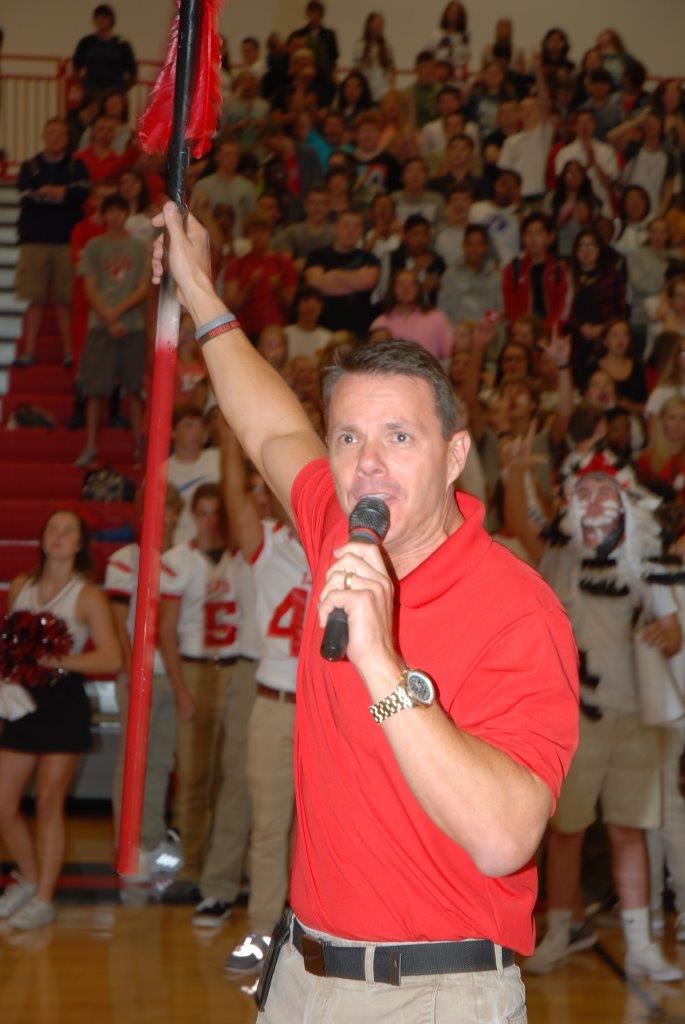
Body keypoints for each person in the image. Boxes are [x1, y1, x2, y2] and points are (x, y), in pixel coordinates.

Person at [152, 201, 579, 1022]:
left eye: (398, 437)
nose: (367, 463)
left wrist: (383, 662)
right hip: (303, 978)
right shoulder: (338, 534)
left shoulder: (517, 608)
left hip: (434, 992)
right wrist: (203, 293)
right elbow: (271, 426)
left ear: (455, 454)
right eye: (348, 439)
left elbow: (504, 836)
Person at [520, 456, 683, 983]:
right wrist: (525, 474)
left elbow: (673, 630)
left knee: (628, 830)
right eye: (583, 492)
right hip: (577, 717)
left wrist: (668, 634)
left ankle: (639, 944)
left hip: (635, 714)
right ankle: (561, 931)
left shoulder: (647, 560)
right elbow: (525, 537)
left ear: (625, 502)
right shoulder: (562, 556)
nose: (592, 502)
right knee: (567, 830)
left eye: (603, 492)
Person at [0, 511, 121, 929]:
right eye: (51, 528)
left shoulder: (87, 595)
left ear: (79, 545)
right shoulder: (21, 585)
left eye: (67, 530)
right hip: (22, 698)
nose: (58, 535)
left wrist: (59, 660)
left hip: (63, 700)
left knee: (50, 802)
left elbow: (112, 656)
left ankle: (45, 897)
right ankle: (30, 879)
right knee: (4, 803)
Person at [220, 430, 312, 971]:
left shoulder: (347, 546)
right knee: (270, 823)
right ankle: (261, 930)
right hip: (274, 703)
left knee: (322, 827)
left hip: (330, 710)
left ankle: (313, 929)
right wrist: (230, 435)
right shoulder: (267, 544)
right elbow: (234, 495)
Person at [157, 484, 252, 910]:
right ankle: (191, 866)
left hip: (237, 667)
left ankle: (232, 867)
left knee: (235, 779)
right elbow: (166, 631)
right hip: (196, 669)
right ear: (192, 516)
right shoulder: (178, 561)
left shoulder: (247, 558)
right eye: (204, 513)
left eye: (218, 513)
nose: (211, 521)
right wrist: (179, 687)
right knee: (194, 776)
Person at [107, 484, 186, 877]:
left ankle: (151, 841)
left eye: (169, 509)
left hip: (169, 673)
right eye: (156, 508)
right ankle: (127, 847)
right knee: (131, 763)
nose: (163, 516)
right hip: (137, 674)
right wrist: (129, 670)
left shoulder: (179, 560)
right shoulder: (125, 559)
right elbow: (117, 623)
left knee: (159, 762)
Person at [75, 193, 149, 467]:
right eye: (111, 212)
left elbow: (143, 288)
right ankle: (91, 445)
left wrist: (115, 313)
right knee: (95, 390)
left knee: (134, 390)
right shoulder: (94, 246)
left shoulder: (139, 247)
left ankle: (140, 449)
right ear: (104, 215)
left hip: (132, 326)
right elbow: (90, 286)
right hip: (100, 326)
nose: (116, 216)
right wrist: (107, 317)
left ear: (126, 214)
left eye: (121, 211)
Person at [13, 118, 89, 368]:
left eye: (60, 134)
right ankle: (29, 350)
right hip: (34, 242)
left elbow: (80, 194)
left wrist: (51, 192)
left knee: (64, 301)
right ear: (44, 135)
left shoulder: (76, 166)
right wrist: (63, 195)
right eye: (51, 133)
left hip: (66, 242)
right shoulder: (29, 166)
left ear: (67, 139)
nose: (55, 138)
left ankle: (69, 351)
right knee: (34, 299)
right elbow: (26, 196)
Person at [304, 208, 380, 335]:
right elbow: (315, 284)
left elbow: (367, 282)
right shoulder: (316, 255)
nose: (351, 230)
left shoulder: (370, 259)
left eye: (356, 226)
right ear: (336, 228)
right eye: (346, 225)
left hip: (359, 329)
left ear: (362, 231)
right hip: (322, 328)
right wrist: (355, 279)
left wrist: (332, 276)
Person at [223, 213, 298, 340]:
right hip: (245, 330)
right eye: (254, 232)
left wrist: (278, 289)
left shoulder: (283, 263)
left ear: (270, 233)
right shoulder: (236, 264)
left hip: (275, 330)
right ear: (248, 235)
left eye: (263, 232)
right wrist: (250, 286)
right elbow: (230, 304)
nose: (259, 236)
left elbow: (291, 303)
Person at [502, 213, 572, 334]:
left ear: (550, 238)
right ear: (523, 238)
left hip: (552, 332)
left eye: (539, 233)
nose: (533, 238)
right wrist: (523, 330)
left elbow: (563, 307)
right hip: (521, 333)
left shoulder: (560, 270)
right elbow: (510, 306)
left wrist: (547, 329)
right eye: (528, 233)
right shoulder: (513, 269)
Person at [498, 56, 553, 204]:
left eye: (532, 108)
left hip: (539, 197)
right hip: (517, 199)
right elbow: (506, 173)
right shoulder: (510, 141)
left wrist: (538, 74)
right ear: (518, 114)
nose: (528, 111)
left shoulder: (543, 133)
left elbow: (545, 103)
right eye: (523, 108)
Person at [371, 268, 454, 361]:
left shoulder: (437, 318)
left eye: (412, 284)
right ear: (392, 288)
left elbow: (450, 355)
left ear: (419, 288)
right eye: (401, 284)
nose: (406, 288)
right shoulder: (381, 323)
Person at [167, 402, 221, 544]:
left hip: (218, 545)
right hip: (179, 547)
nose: (197, 430)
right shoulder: (162, 472)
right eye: (189, 425)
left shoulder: (219, 459)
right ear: (172, 432)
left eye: (200, 425)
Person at [554, 110, 619, 217]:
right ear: (574, 126)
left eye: (588, 121)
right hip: (573, 209)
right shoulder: (564, 153)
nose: (584, 125)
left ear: (594, 124)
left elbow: (610, 184)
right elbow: (562, 183)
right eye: (580, 122)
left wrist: (594, 163)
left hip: (602, 204)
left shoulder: (606, 150)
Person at [438, 224, 502, 328]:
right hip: (458, 335)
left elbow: (498, 309)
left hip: (486, 334)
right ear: (463, 245)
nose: (474, 249)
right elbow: (443, 310)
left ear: (485, 247)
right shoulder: (450, 275)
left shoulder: (494, 277)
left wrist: (486, 325)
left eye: (479, 244)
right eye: (470, 244)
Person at [190, 139, 257, 236]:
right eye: (228, 155)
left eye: (235, 155)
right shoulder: (202, 186)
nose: (232, 159)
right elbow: (194, 215)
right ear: (217, 157)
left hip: (239, 243)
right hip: (210, 242)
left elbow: (252, 220)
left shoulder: (248, 187)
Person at [72, 4, 137, 97]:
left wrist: (121, 92)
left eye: (104, 17)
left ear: (111, 20)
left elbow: (133, 75)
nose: (101, 20)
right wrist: (84, 87)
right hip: (92, 92)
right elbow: (76, 67)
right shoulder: (86, 42)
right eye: (98, 17)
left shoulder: (122, 44)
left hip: (114, 94)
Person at [389, 214, 446, 307]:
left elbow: (449, 292)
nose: (420, 240)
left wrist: (439, 286)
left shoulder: (437, 261)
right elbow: (386, 293)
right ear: (405, 235)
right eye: (415, 234)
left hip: (431, 312)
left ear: (429, 237)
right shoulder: (393, 259)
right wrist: (415, 271)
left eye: (424, 235)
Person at [284, 287, 331, 360]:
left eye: (317, 301)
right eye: (306, 300)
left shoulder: (328, 337)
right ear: (297, 305)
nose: (311, 305)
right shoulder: (286, 334)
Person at [426, 1, 470, 78]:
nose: (453, 15)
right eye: (451, 11)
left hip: (458, 77)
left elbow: (466, 57)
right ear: (446, 14)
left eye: (457, 12)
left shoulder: (464, 36)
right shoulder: (437, 35)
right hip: (440, 76)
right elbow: (428, 55)